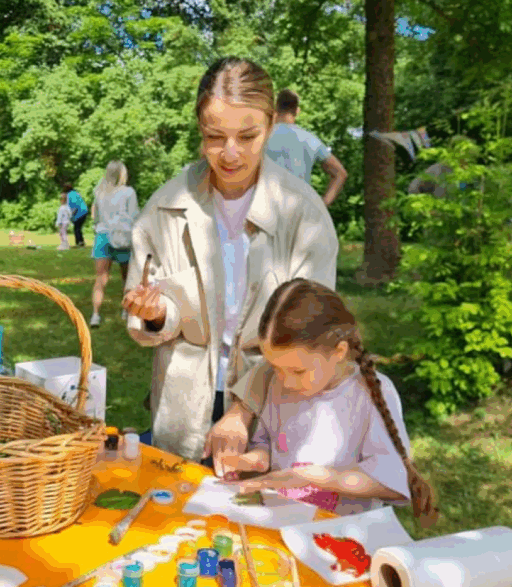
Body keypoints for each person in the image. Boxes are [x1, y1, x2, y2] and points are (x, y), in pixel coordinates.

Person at [121, 57, 339, 464]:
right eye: (214, 136)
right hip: (183, 410)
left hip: (275, 406)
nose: (230, 154)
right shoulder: (164, 206)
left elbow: (310, 336)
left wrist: (243, 409)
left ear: (271, 125)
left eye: (248, 135)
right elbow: (150, 320)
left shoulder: (304, 214)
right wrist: (154, 313)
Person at [219, 278, 439, 527]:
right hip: (286, 523)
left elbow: (392, 481)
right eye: (275, 368)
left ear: (338, 352)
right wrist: (256, 458)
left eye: (297, 371)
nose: (286, 381)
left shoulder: (369, 393)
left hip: (343, 536)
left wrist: (317, 478)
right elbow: (267, 439)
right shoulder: (282, 382)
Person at [263, 89, 348, 206]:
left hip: (264, 213)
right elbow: (340, 173)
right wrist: (322, 206)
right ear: (297, 111)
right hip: (298, 213)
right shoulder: (311, 139)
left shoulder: (260, 138)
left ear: (275, 110)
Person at [90, 160, 139, 328]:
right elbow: (134, 215)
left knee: (100, 278)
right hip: (122, 237)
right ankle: (126, 311)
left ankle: (95, 315)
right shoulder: (128, 192)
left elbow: (95, 216)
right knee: (127, 277)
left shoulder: (99, 192)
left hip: (102, 236)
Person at [65, 183, 89, 247]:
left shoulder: (70, 195)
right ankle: (81, 242)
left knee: (77, 228)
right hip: (84, 211)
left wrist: (71, 215)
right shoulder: (76, 193)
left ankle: (79, 242)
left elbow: (74, 206)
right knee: (78, 228)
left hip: (80, 212)